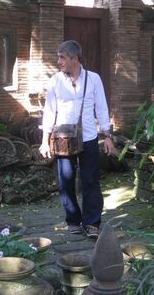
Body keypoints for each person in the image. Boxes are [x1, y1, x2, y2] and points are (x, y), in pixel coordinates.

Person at [39, 40, 114, 238]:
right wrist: (44, 140)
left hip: (89, 137)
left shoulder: (93, 79)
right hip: (63, 139)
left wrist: (107, 136)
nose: (59, 61)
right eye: (59, 57)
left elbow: (102, 108)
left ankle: (92, 223)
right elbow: (49, 111)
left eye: (62, 57)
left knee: (90, 181)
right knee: (66, 181)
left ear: (75, 58)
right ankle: (73, 220)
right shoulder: (55, 81)